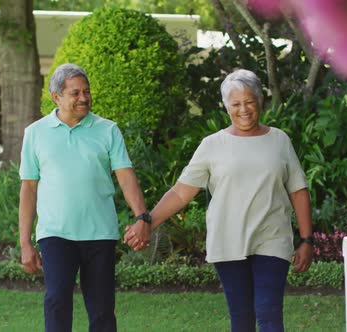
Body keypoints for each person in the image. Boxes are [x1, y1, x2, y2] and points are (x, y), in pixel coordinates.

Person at [124, 69, 314, 332]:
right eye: (236, 104)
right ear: (227, 107)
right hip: (228, 242)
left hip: (272, 239)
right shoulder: (212, 144)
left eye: (249, 101)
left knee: (270, 315)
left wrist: (306, 240)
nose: (244, 109)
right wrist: (147, 222)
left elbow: (298, 190)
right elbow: (181, 193)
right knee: (242, 319)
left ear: (260, 101)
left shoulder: (279, 140)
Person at [19, 63, 151, 332]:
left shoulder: (108, 130)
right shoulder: (35, 133)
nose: (84, 98)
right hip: (55, 234)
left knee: (102, 309)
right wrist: (25, 243)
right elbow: (29, 188)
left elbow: (126, 176)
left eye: (86, 92)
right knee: (57, 301)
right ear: (56, 97)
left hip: (99, 233)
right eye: (75, 93)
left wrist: (141, 217)